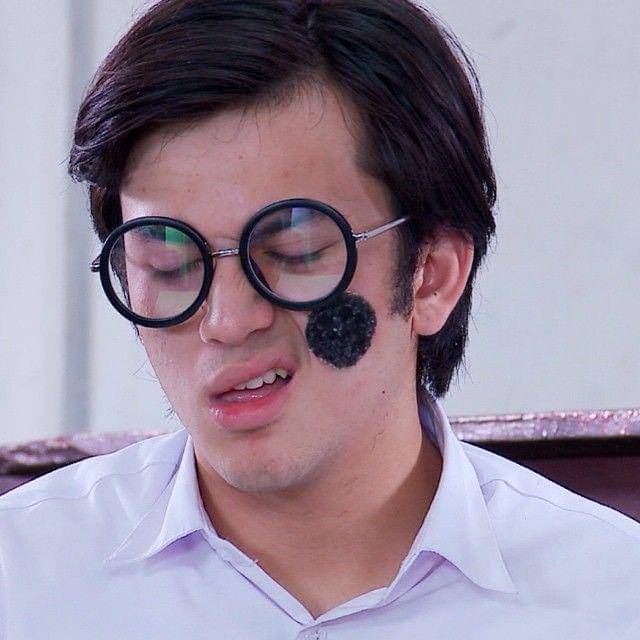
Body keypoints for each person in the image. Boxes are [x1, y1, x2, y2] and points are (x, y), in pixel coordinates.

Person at [1, 0, 638, 637]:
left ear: (432, 275)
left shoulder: (610, 598)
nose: (226, 321)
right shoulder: (24, 579)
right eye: (169, 264)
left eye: (294, 252)